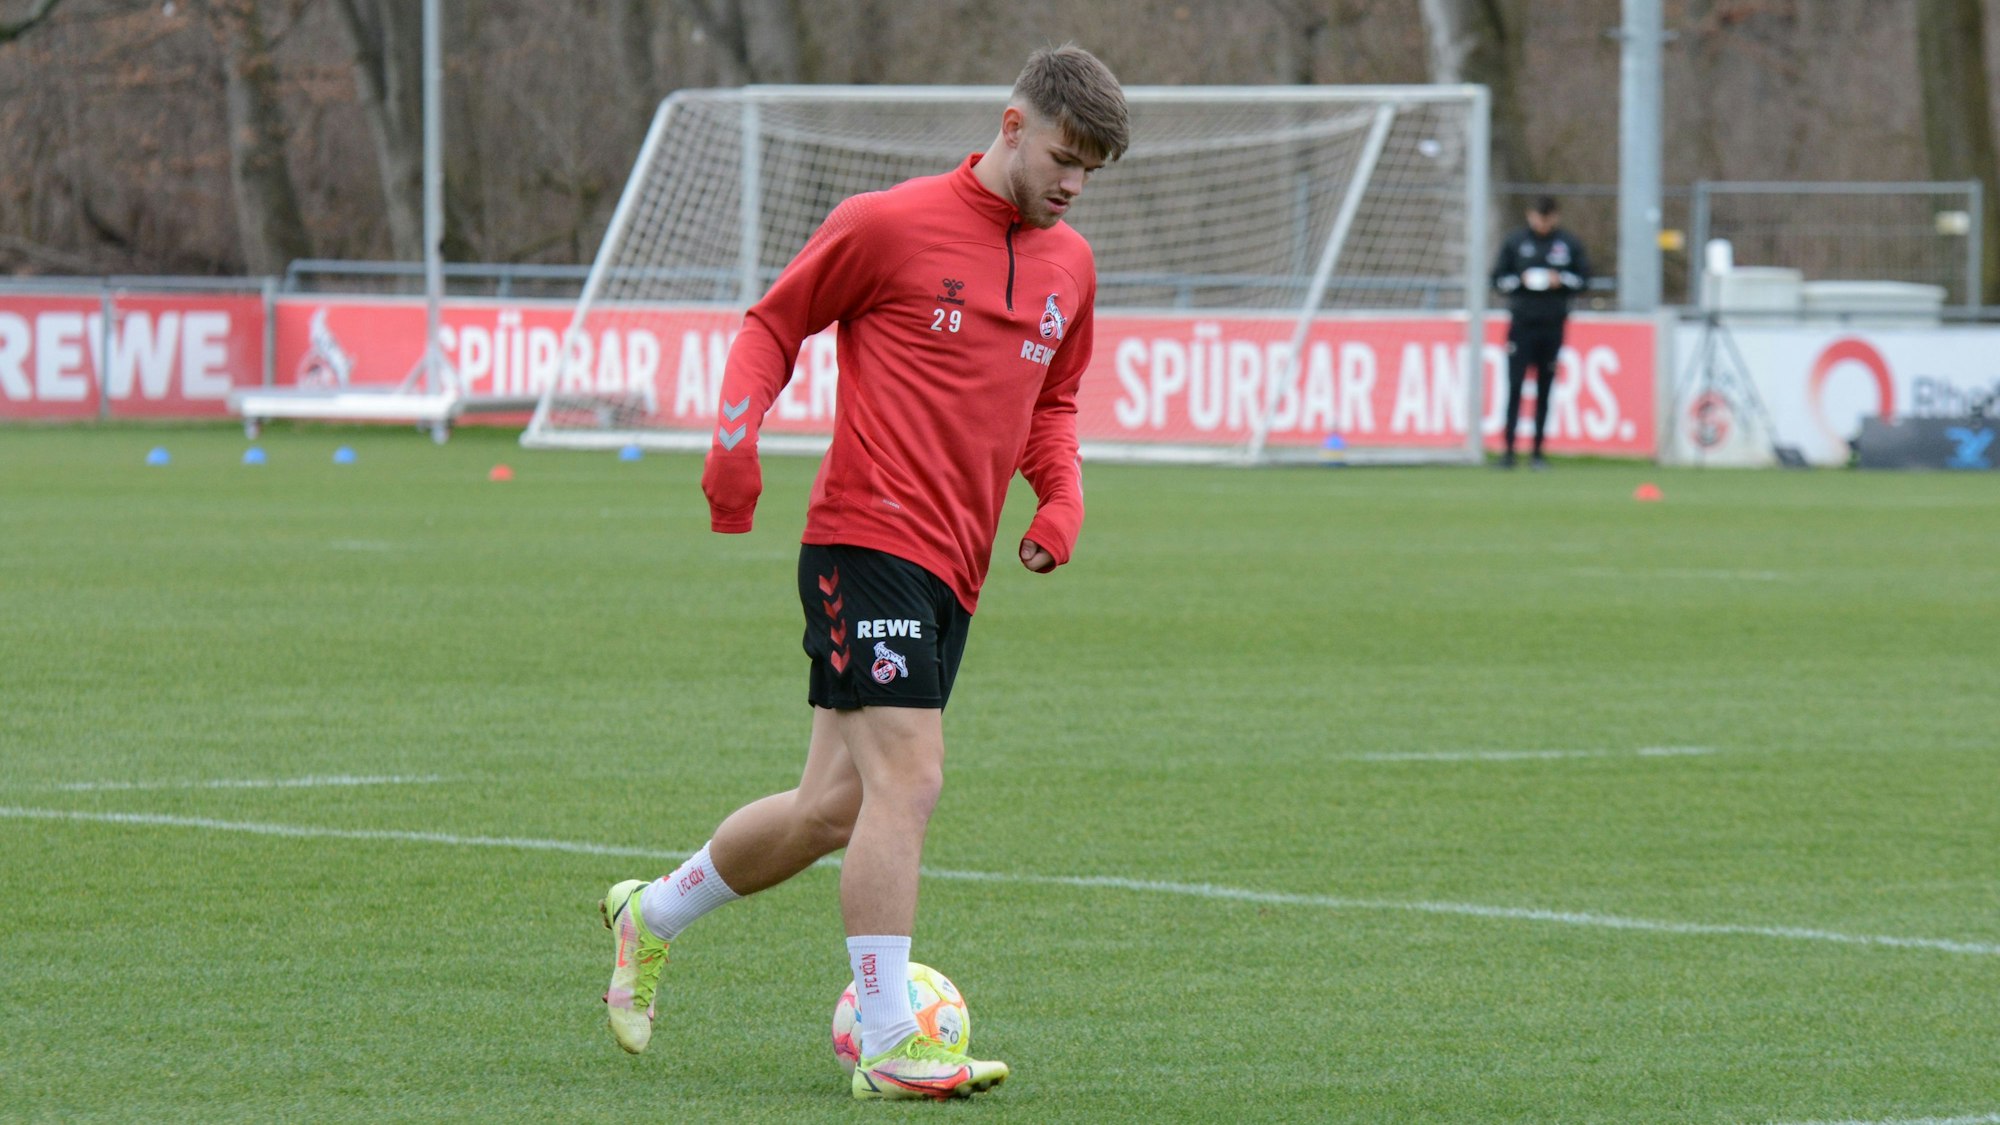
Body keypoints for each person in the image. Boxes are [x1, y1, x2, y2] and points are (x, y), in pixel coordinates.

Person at [596, 45, 1129, 1102]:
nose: (1072, 186)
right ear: (1012, 126)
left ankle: (645, 916)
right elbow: (772, 325)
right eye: (1064, 158)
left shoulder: (1070, 265)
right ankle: (889, 1040)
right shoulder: (885, 225)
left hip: (954, 568)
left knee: (827, 809)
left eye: (1092, 173)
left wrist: (1060, 499)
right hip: (863, 538)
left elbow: (1052, 406)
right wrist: (733, 447)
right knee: (910, 779)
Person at [1490, 196, 1590, 469]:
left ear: (1555, 217)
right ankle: (1508, 451)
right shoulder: (1515, 242)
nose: (1542, 223)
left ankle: (1537, 453)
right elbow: (1497, 279)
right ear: (1530, 215)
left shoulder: (1567, 244)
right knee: (1515, 387)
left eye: (1547, 218)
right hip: (1521, 326)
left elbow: (1584, 279)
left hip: (1552, 327)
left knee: (1546, 389)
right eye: (1538, 217)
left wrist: (1561, 281)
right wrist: (1520, 281)